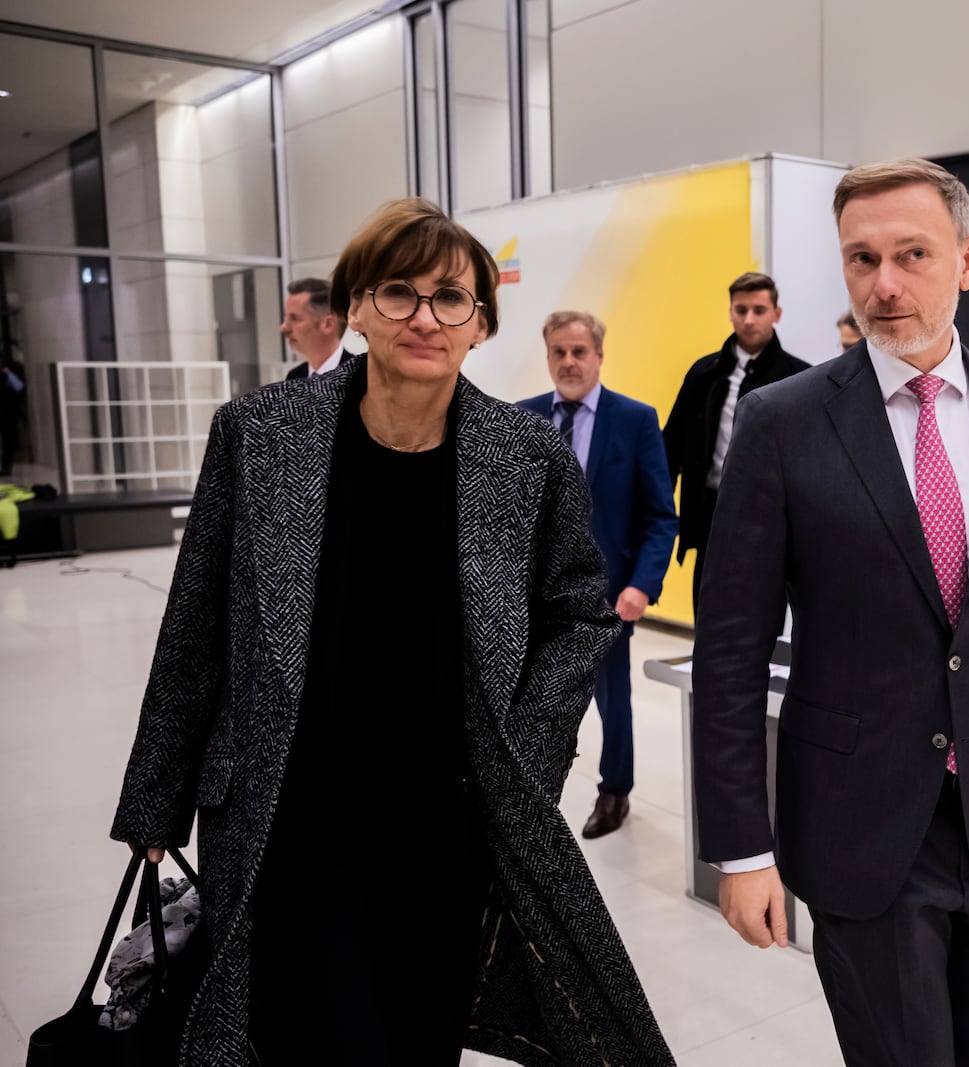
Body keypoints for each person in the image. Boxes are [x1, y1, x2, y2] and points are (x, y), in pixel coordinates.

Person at [110, 199, 673, 1067]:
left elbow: (578, 614)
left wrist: (525, 749)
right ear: (357, 308)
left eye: (451, 298)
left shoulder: (526, 458)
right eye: (399, 292)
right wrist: (158, 792)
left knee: (420, 1036)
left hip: (447, 824)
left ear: (481, 323)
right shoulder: (259, 434)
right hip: (290, 812)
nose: (424, 317)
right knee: (315, 1034)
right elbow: (196, 620)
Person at [693, 159, 969, 1067]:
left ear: (967, 261)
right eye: (861, 259)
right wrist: (740, 849)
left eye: (911, 254)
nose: (884, 284)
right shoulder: (785, 423)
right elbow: (731, 653)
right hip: (862, 829)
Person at [516, 311, 677, 840]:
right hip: (536, 599)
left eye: (578, 352)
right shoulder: (523, 421)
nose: (568, 362)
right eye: (558, 352)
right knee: (533, 699)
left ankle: (615, 792)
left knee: (613, 702)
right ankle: (528, 793)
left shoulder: (634, 420)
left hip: (609, 598)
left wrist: (641, 585)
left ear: (599, 356)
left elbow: (660, 516)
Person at [661, 272, 808, 613]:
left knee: (763, 615)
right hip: (710, 509)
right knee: (707, 610)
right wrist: (660, 515)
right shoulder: (704, 374)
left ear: (776, 313)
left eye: (759, 310)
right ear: (730, 312)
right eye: (741, 310)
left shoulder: (798, 378)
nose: (749, 319)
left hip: (770, 515)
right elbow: (671, 446)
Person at [280, 276, 351, 380]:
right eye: (286, 318)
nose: (284, 327)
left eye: (294, 318)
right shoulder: (294, 376)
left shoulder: (361, 376)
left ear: (328, 324)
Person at [0, 350, 24, 476]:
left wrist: (7, 373)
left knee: (8, 441)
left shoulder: (9, 373)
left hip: (8, 414)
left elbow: (19, 386)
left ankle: (6, 467)